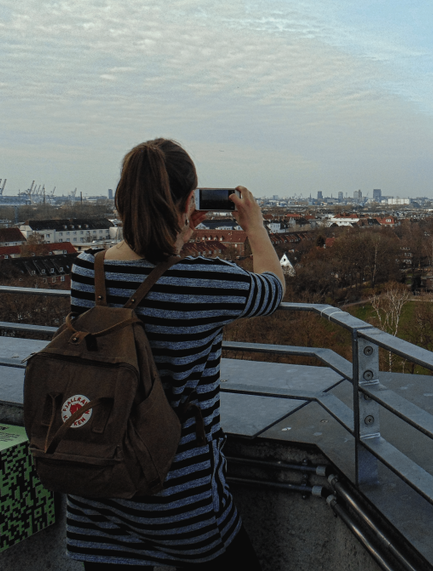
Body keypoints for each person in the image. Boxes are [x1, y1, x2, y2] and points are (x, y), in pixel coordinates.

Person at [66, 138, 285, 570]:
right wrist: (255, 226)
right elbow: (272, 289)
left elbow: (144, 270)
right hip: (178, 501)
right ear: (190, 202)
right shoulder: (204, 280)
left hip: (97, 499)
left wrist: (175, 233)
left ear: (122, 200)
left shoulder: (85, 271)